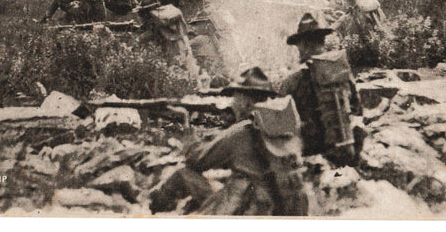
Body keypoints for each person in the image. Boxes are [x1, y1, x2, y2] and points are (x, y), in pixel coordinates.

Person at [151, 67, 309, 216]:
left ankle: (149, 208)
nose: (233, 103)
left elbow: (197, 160)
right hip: (284, 205)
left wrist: (189, 139)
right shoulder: (284, 128)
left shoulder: (242, 131)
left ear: (243, 101)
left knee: (183, 174)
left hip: (251, 208)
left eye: (235, 98)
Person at [280, 12, 363, 166]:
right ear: (323, 42)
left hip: (312, 153)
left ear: (304, 45)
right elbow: (357, 107)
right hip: (345, 146)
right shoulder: (342, 71)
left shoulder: (293, 80)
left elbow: (282, 123)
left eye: (299, 46)